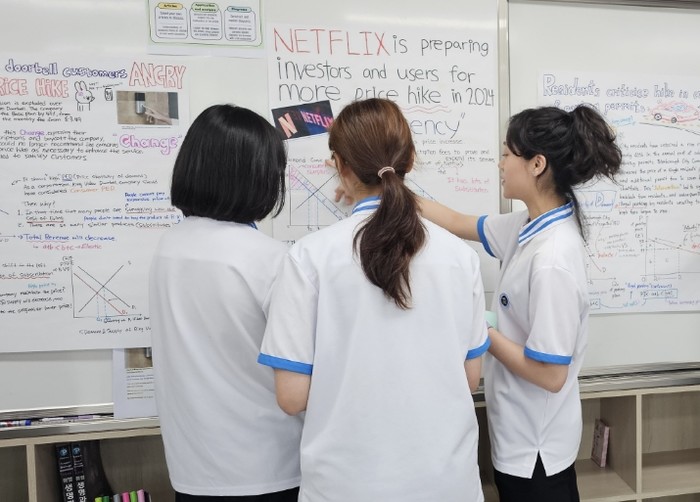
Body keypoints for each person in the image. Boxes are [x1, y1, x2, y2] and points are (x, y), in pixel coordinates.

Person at [257, 97, 490, 502]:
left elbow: (292, 397)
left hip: (346, 485)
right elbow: (470, 380)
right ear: (410, 159)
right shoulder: (460, 256)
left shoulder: (309, 257)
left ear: (340, 166)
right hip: (446, 483)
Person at [420, 104, 623, 502]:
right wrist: (387, 188)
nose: (500, 164)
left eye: (506, 154)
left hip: (536, 454)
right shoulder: (527, 225)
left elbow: (551, 375)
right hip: (516, 437)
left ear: (536, 164)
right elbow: (456, 222)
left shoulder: (552, 259)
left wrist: (481, 330)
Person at [149, 104, 303, 502]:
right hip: (268, 469)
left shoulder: (170, 245)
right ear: (259, 177)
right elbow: (302, 373)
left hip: (192, 469)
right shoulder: (270, 259)